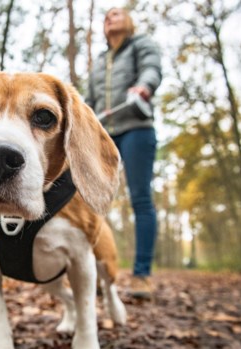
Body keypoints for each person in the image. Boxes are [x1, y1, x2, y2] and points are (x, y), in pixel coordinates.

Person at [86, 7, 162, 299]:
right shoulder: (100, 62)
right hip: (104, 132)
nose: (110, 18)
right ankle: (92, 271)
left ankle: (142, 275)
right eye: (106, 17)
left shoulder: (141, 45)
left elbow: (152, 68)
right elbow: (88, 98)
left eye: (116, 14)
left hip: (136, 127)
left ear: (128, 22)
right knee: (90, 198)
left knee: (140, 197)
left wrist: (145, 86)